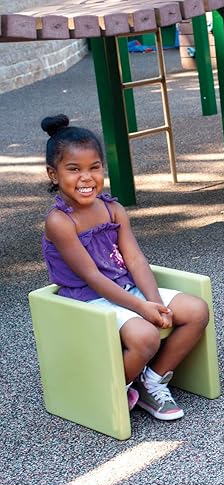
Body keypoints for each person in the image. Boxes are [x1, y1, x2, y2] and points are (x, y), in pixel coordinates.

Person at [40, 114, 209, 420]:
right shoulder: (59, 222)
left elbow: (135, 259)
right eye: (74, 169)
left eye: (94, 167)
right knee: (145, 336)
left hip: (125, 288)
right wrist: (141, 308)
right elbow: (91, 276)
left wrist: (154, 300)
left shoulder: (113, 209)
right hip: (87, 299)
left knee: (196, 310)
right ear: (53, 174)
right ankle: (107, 389)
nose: (86, 177)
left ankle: (151, 380)